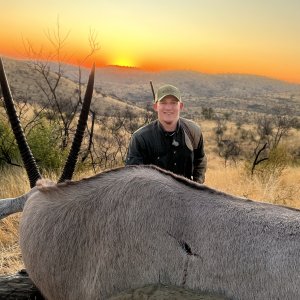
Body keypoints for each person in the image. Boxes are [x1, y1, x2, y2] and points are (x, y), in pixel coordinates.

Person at [125, 84, 207, 183]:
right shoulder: (140, 138)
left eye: (173, 103)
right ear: (155, 106)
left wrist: (197, 186)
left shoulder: (193, 131)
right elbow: (133, 177)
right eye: (163, 103)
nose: (168, 108)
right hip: (153, 196)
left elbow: (200, 160)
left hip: (186, 196)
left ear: (180, 106)